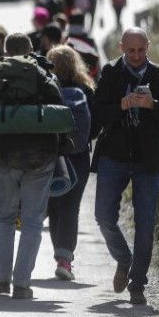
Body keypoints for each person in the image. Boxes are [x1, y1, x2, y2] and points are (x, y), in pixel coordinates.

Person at [92, 27, 159, 306]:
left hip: (147, 158)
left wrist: (152, 105)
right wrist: (122, 105)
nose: (137, 55)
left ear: (148, 47)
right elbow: (99, 113)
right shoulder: (110, 72)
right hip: (114, 155)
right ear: (121, 48)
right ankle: (123, 258)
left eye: (141, 50)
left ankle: (137, 283)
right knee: (103, 216)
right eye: (131, 50)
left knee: (145, 224)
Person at [0, 33, 65, 300]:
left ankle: (1, 280)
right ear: (30, 50)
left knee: (4, 216)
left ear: (6, 51)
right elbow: (58, 110)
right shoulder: (43, 75)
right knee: (32, 221)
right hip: (39, 157)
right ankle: (22, 283)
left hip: (4, 156)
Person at [45, 45, 96, 281]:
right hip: (78, 156)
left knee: (54, 205)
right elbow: (95, 126)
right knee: (70, 206)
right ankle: (65, 259)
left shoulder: (45, 88)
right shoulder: (86, 89)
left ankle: (60, 256)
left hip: (50, 155)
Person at [65, 12, 101, 78]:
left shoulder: (65, 39)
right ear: (83, 23)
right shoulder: (90, 41)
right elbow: (97, 62)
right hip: (88, 77)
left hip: (68, 77)